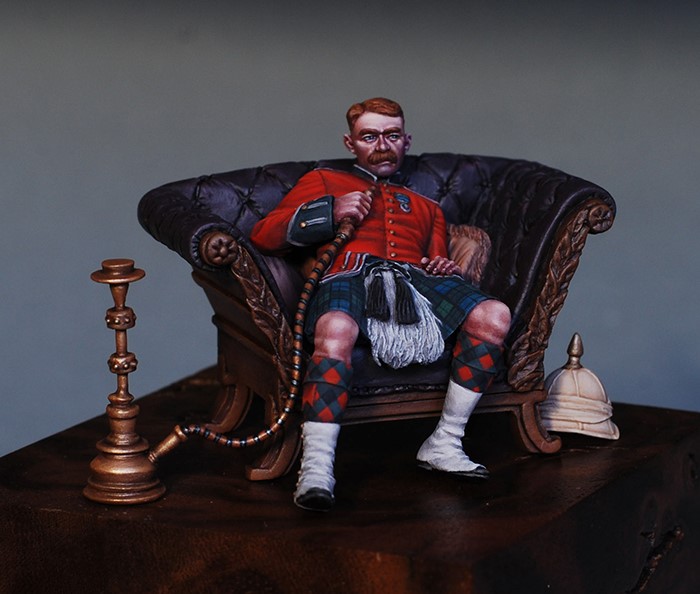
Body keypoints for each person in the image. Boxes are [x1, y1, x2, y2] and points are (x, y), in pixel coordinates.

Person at [250, 98, 511, 511]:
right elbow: (264, 234)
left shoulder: (429, 208)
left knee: (494, 314)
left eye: (392, 136)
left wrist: (442, 264)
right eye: (369, 136)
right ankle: (316, 468)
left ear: (406, 141)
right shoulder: (322, 181)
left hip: (415, 281)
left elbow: (434, 259)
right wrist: (329, 210)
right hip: (349, 274)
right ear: (350, 143)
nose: (382, 146)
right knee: (335, 328)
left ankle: (445, 442)